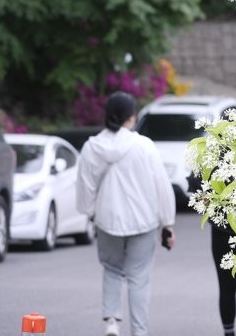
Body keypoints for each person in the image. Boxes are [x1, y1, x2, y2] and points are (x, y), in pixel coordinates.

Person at [76, 92, 177, 336]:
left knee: (111, 269)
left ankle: (111, 321)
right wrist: (168, 223)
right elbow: (161, 185)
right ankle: (139, 331)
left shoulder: (92, 147)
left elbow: (85, 185)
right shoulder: (144, 146)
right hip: (143, 220)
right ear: (131, 117)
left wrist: (91, 214)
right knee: (138, 277)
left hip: (107, 219)